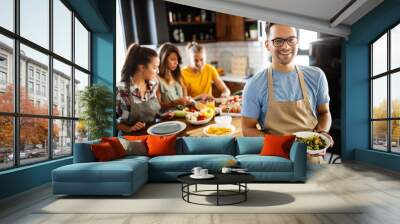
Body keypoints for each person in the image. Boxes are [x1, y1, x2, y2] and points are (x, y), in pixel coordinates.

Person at [241, 23, 333, 145]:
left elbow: (324, 113)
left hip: (310, 155)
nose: (285, 46)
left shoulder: (317, 76)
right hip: (274, 157)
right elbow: (247, 129)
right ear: (267, 45)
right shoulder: (254, 85)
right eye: (278, 41)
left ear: (297, 42)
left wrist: (320, 135)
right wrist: (280, 144)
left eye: (291, 40)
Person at [116, 43, 161, 135]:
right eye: (155, 67)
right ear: (142, 67)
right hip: (130, 140)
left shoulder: (153, 85)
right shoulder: (121, 90)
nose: (158, 71)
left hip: (152, 134)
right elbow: (109, 120)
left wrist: (162, 115)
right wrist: (129, 128)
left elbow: (152, 113)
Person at [156, 43, 191, 110]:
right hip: (168, 118)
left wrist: (199, 98)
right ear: (163, 59)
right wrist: (175, 102)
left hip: (183, 115)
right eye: (172, 59)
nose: (176, 63)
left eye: (177, 59)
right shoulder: (157, 79)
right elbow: (158, 106)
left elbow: (186, 101)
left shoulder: (178, 75)